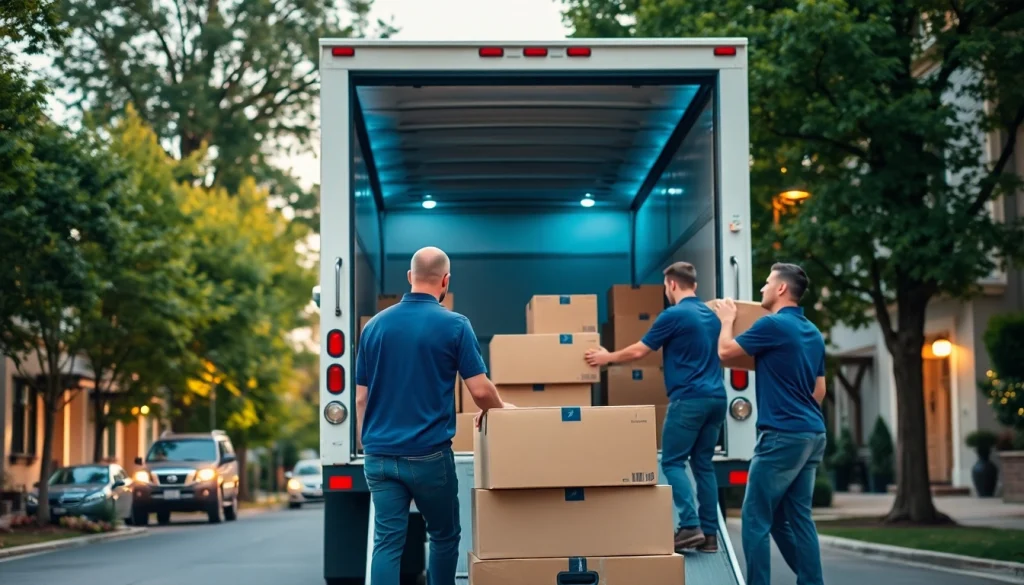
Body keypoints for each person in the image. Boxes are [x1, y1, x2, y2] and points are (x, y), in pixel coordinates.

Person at [355, 246, 509, 585]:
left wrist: (369, 445)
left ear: (409, 277)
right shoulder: (455, 325)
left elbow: (361, 398)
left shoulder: (374, 328)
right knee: (443, 535)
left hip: (379, 455)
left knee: (387, 542)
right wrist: (503, 412)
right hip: (429, 456)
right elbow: (481, 391)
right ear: (446, 281)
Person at [585, 262, 727, 553]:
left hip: (688, 399)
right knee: (703, 465)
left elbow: (640, 350)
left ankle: (690, 526)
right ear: (694, 286)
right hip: (716, 399)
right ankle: (710, 536)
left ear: (672, 285)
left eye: (665, 286)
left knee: (672, 462)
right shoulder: (711, 317)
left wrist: (606, 357)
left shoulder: (673, 315)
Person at [713, 262, 828, 585]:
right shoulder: (812, 332)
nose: (762, 288)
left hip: (782, 435)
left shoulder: (773, 326)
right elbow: (819, 390)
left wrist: (726, 320)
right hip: (813, 434)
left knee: (754, 519)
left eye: (766, 283)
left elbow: (724, 352)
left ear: (781, 289)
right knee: (792, 517)